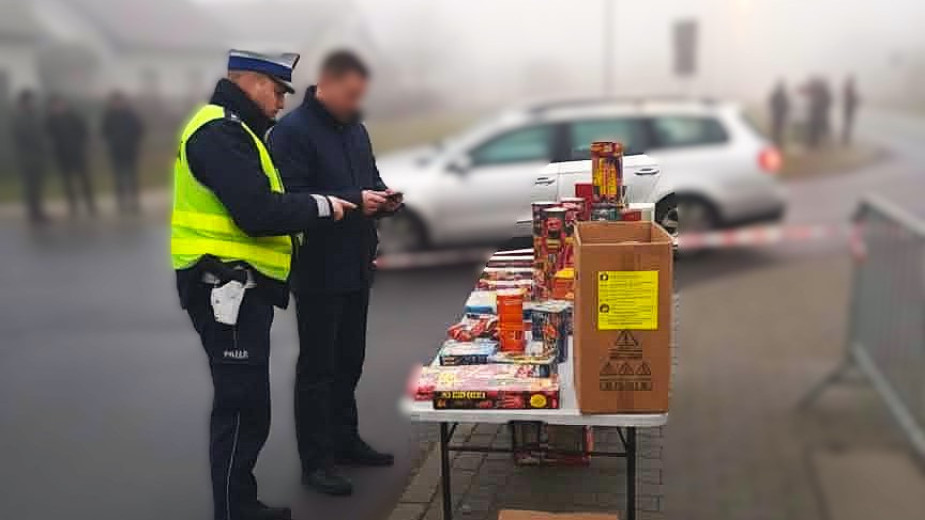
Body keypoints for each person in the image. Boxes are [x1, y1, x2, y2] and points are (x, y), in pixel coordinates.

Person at [171, 49, 355, 520]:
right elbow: (256, 213)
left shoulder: (236, 131)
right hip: (224, 288)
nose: (280, 103)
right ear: (250, 82)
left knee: (249, 405)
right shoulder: (219, 132)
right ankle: (235, 511)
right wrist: (322, 206)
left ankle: (241, 503)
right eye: (276, 92)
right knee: (240, 408)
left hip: (238, 288)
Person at [268, 50, 401, 497]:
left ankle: (346, 441)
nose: (354, 103)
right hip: (318, 268)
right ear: (325, 84)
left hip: (356, 263)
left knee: (350, 361)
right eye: (349, 95)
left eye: (360, 96)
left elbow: (371, 179)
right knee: (318, 369)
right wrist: (354, 199)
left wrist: (385, 197)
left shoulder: (355, 130)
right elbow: (292, 200)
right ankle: (317, 461)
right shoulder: (291, 133)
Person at [45, 95, 96, 216]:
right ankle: (73, 205)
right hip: (62, 155)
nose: (58, 107)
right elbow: (48, 137)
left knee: (84, 180)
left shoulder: (74, 117)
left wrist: (82, 145)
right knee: (67, 182)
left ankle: (90, 205)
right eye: (55, 105)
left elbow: (84, 131)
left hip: (77, 153)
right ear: (52, 107)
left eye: (60, 104)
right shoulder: (50, 121)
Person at [102, 91, 145, 213]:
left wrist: (134, 141)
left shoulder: (130, 115)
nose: (118, 104)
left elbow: (140, 129)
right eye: (115, 102)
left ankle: (134, 202)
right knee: (118, 178)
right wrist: (112, 142)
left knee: (132, 177)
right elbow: (104, 131)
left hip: (130, 151)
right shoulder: (109, 116)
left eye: (119, 101)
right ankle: (121, 203)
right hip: (116, 152)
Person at [10, 90, 48, 224]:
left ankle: (38, 211)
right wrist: (42, 144)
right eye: (30, 101)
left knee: (37, 186)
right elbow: (28, 137)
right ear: (23, 103)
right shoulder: (21, 118)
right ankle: (34, 213)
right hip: (28, 158)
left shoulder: (33, 116)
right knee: (31, 186)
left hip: (37, 157)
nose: (33, 104)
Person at [768, 80, 789, 147]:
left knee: (779, 130)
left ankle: (778, 143)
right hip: (776, 115)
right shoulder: (776, 95)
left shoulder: (783, 96)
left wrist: (784, 112)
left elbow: (787, 105)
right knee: (776, 130)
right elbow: (771, 103)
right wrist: (774, 110)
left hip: (780, 116)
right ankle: (774, 143)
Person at [843, 75, 860, 145]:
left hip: (849, 108)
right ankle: (845, 138)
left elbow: (851, 99)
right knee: (848, 123)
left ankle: (846, 137)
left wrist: (855, 100)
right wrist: (855, 99)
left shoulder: (848, 89)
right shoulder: (849, 89)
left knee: (848, 123)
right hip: (848, 109)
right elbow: (850, 99)